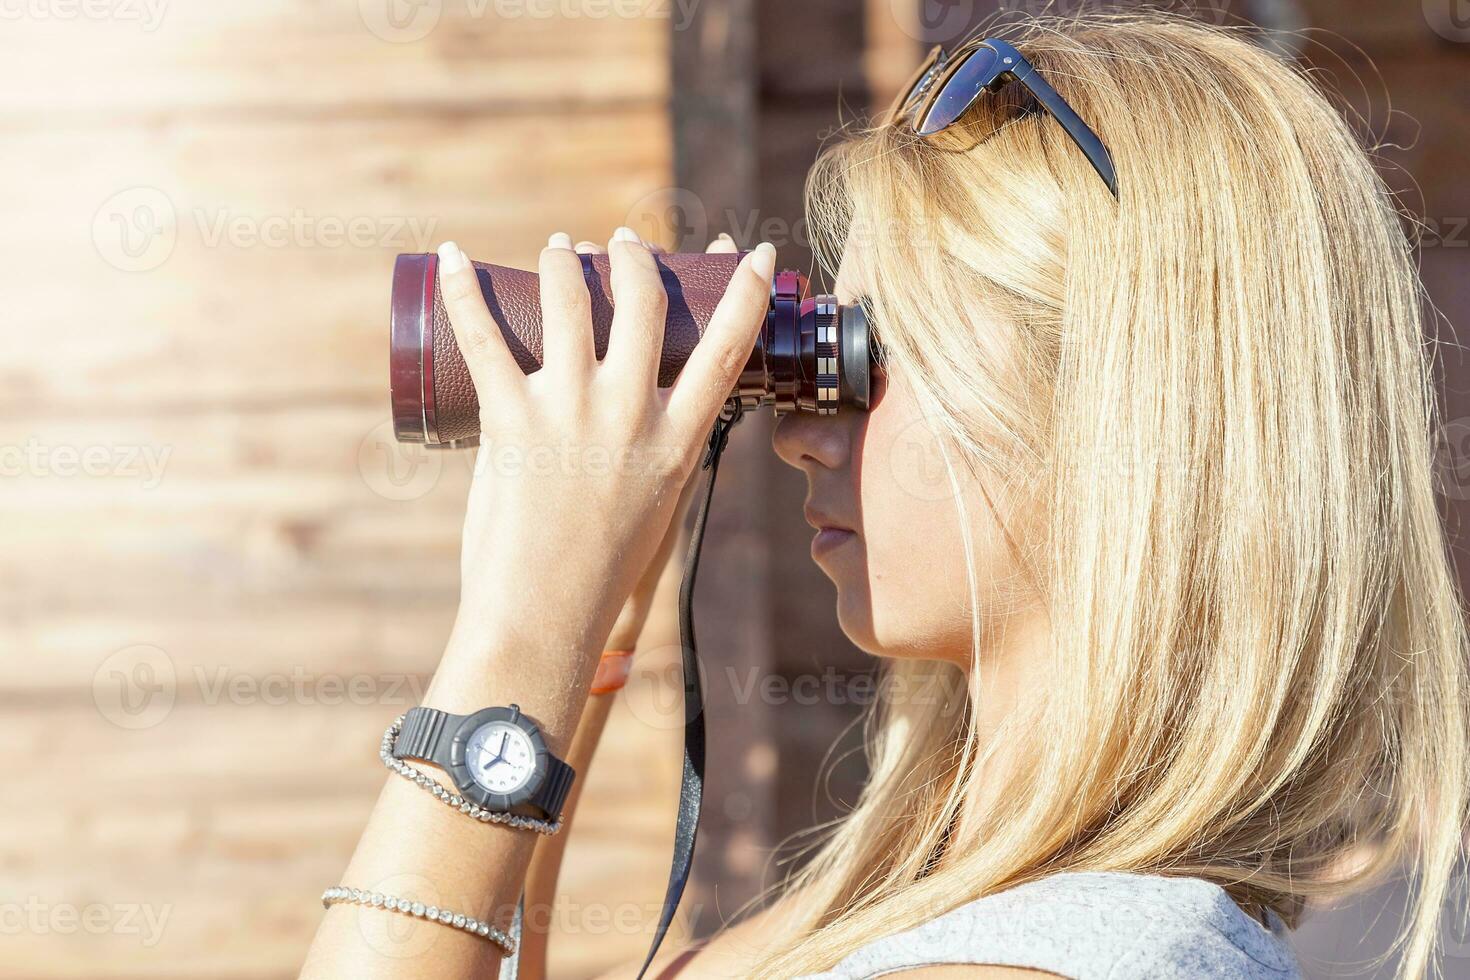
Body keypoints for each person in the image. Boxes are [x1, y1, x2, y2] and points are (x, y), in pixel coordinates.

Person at [301, 10, 1468, 978]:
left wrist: (515, 637)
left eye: (873, 354)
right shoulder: (945, 904)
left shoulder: (1079, 959)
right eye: (815, 360)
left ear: (1118, 406)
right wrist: (591, 631)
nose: (803, 433)